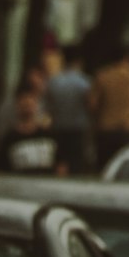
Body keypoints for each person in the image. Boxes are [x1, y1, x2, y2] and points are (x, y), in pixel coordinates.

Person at [90, 42, 129, 170]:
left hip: (106, 129)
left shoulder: (103, 77)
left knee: (104, 169)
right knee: (127, 171)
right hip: (128, 128)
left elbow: (92, 105)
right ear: (128, 57)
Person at [45, 43, 92, 175]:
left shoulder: (54, 82)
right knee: (76, 166)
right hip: (78, 130)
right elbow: (90, 106)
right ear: (79, 60)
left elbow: (48, 106)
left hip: (58, 128)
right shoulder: (85, 82)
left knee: (59, 164)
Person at [0, 90, 62, 176]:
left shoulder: (49, 135)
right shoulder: (9, 139)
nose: (27, 108)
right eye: (24, 105)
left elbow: (61, 164)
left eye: (30, 105)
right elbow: (1, 170)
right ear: (17, 107)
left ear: (36, 106)